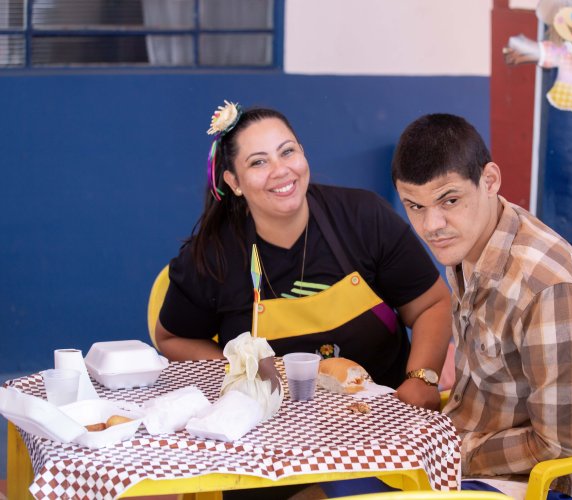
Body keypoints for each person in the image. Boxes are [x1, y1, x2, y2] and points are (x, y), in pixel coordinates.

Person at [155, 102, 452, 497]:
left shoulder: (364, 218)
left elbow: (432, 303)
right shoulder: (213, 256)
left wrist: (422, 378)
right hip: (265, 449)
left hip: (379, 435)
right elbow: (171, 338)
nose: (281, 170)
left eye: (288, 151)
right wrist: (241, 373)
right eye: (259, 162)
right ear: (234, 181)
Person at [389, 113, 572, 499]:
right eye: (415, 206)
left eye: (450, 200)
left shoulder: (547, 288)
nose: (431, 225)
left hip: (545, 486)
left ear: (489, 181)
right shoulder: (470, 244)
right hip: (471, 456)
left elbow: (560, 445)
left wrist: (448, 453)